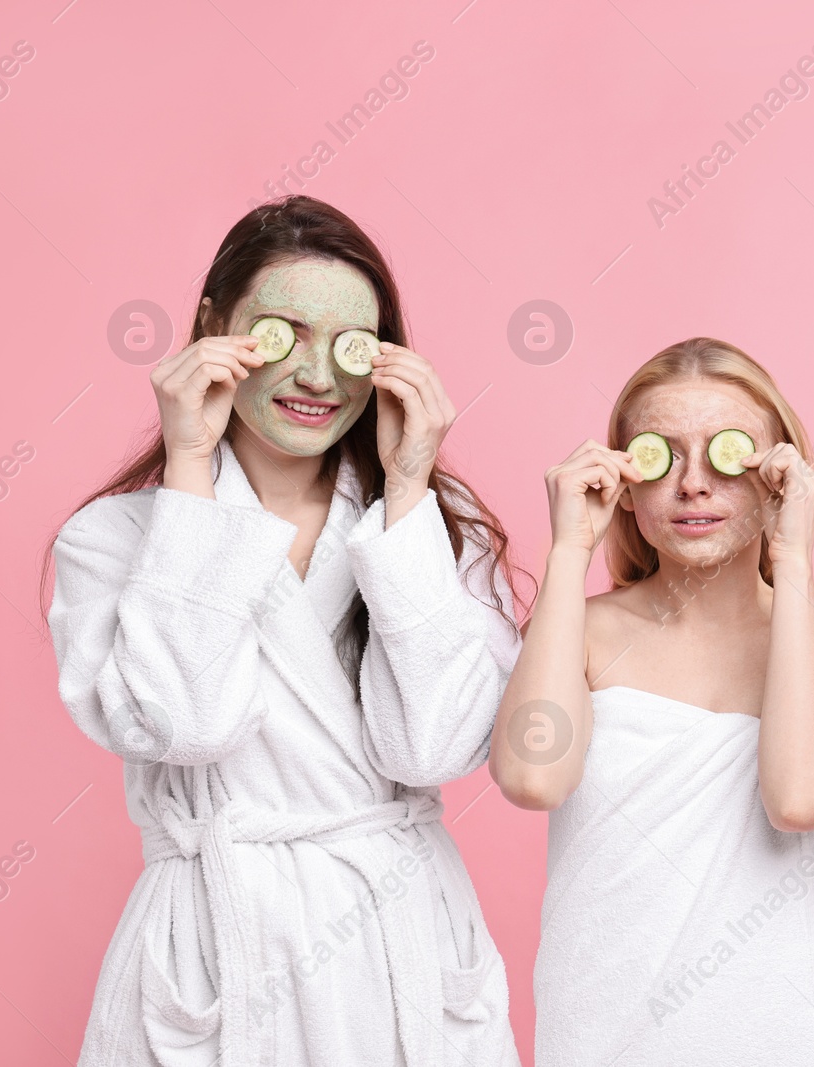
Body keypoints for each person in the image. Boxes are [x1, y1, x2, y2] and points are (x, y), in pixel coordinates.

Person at [44, 195, 526, 1066]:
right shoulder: (113, 540)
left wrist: (410, 488)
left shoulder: (437, 527)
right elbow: (188, 727)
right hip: (221, 945)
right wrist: (191, 467)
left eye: (346, 346)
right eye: (279, 333)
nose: (316, 377)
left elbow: (433, 750)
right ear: (212, 327)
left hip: (400, 948)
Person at [492, 337, 814, 1065]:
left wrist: (793, 552)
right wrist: (569, 549)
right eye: (659, 455)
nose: (693, 484)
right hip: (606, 1035)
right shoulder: (581, 634)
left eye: (726, 455)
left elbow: (797, 799)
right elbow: (530, 775)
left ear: (779, 475)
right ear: (624, 480)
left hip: (798, 1033)